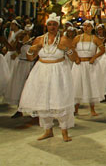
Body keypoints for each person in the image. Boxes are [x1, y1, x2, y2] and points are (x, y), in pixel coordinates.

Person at [18, 13, 79, 142]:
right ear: (46, 26)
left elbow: (75, 58)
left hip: (59, 72)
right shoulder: (39, 39)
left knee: (59, 99)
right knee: (43, 99)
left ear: (58, 26)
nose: (52, 27)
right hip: (41, 71)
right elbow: (30, 58)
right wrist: (32, 49)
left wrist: (67, 49)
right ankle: (47, 130)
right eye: (50, 24)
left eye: (54, 25)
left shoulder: (64, 39)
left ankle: (64, 131)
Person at [71, 20, 106, 116]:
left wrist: (94, 57)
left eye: (88, 26)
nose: (86, 28)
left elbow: (103, 49)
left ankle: (92, 109)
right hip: (79, 64)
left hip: (90, 65)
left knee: (91, 84)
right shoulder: (77, 38)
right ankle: (76, 108)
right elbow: (71, 49)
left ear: (92, 28)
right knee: (77, 84)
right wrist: (76, 58)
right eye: (85, 26)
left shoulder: (94, 38)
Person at [5, 24, 39, 118]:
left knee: (30, 87)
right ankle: (19, 109)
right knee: (19, 86)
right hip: (21, 66)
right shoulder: (20, 45)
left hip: (28, 65)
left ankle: (33, 109)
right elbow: (15, 52)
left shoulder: (33, 42)